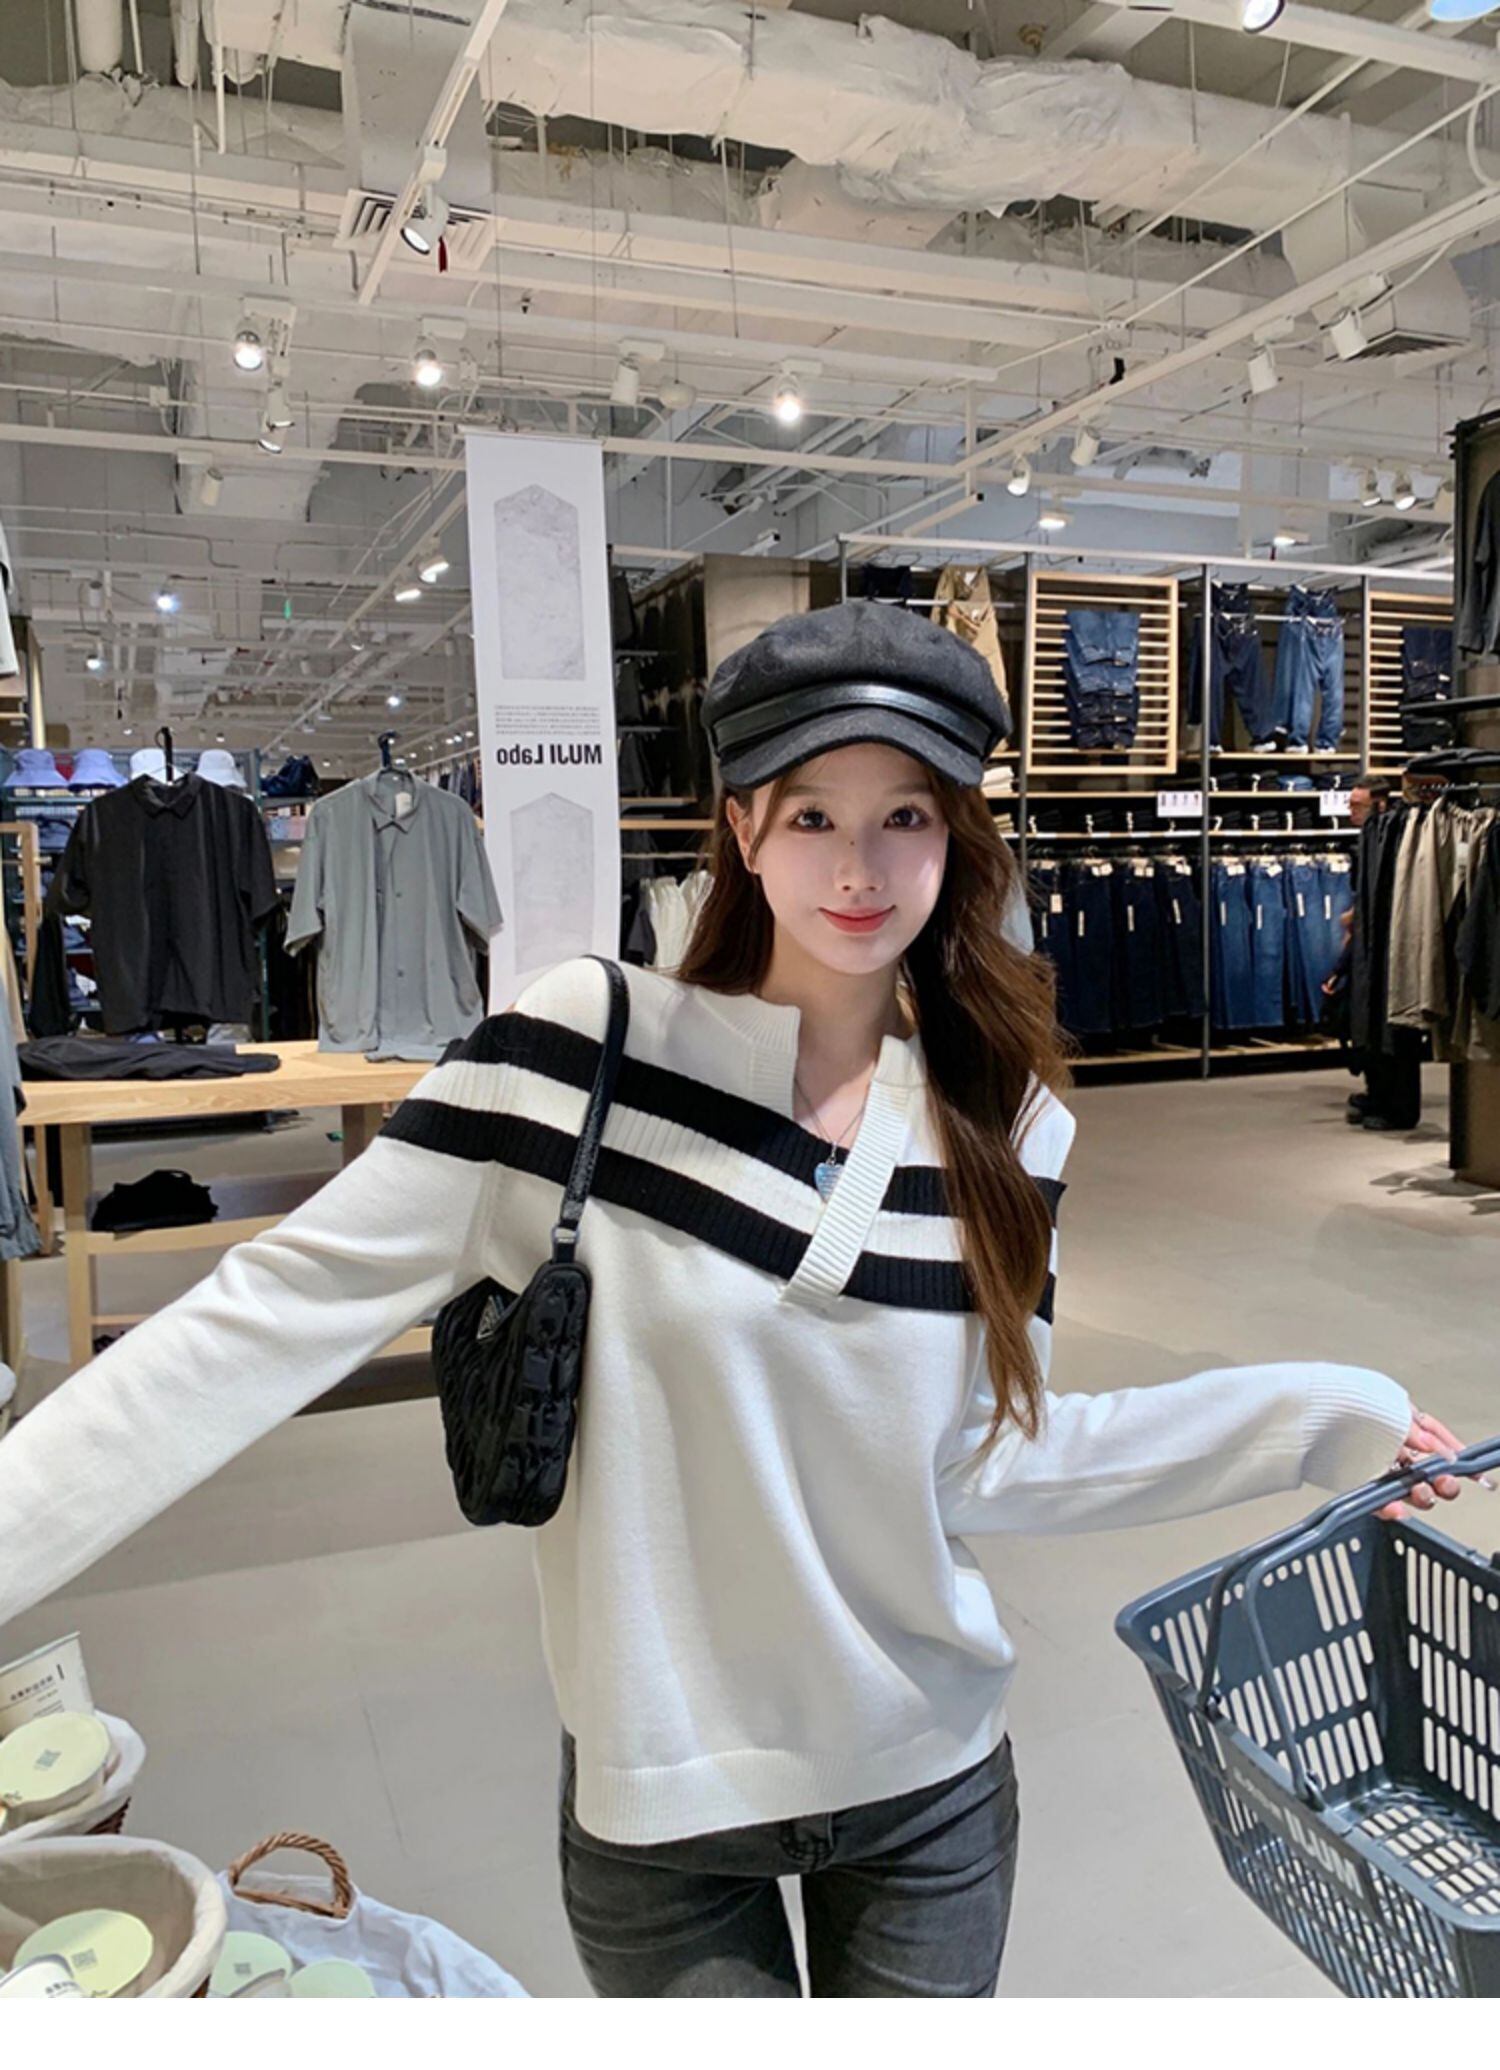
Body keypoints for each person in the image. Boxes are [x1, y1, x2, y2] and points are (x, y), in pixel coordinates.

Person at [0, 602, 1480, 1999]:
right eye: (813, 814)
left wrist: (1311, 1417)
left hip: (929, 1786)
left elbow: (991, 1459)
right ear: (742, 828)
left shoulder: (1007, 1121)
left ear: (959, 838)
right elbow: (262, 1317)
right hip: (665, 1811)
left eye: (907, 816)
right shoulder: (580, 1055)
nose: (860, 867)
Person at [1328, 773, 1422, 1130]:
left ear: (1380, 804)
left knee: (1392, 1026)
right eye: (1350, 804)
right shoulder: (1370, 838)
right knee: (1368, 1021)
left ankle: (1398, 1106)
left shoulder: (1397, 837)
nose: (1351, 811)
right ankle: (1378, 1094)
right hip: (1369, 946)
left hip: (1391, 946)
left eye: (1358, 805)